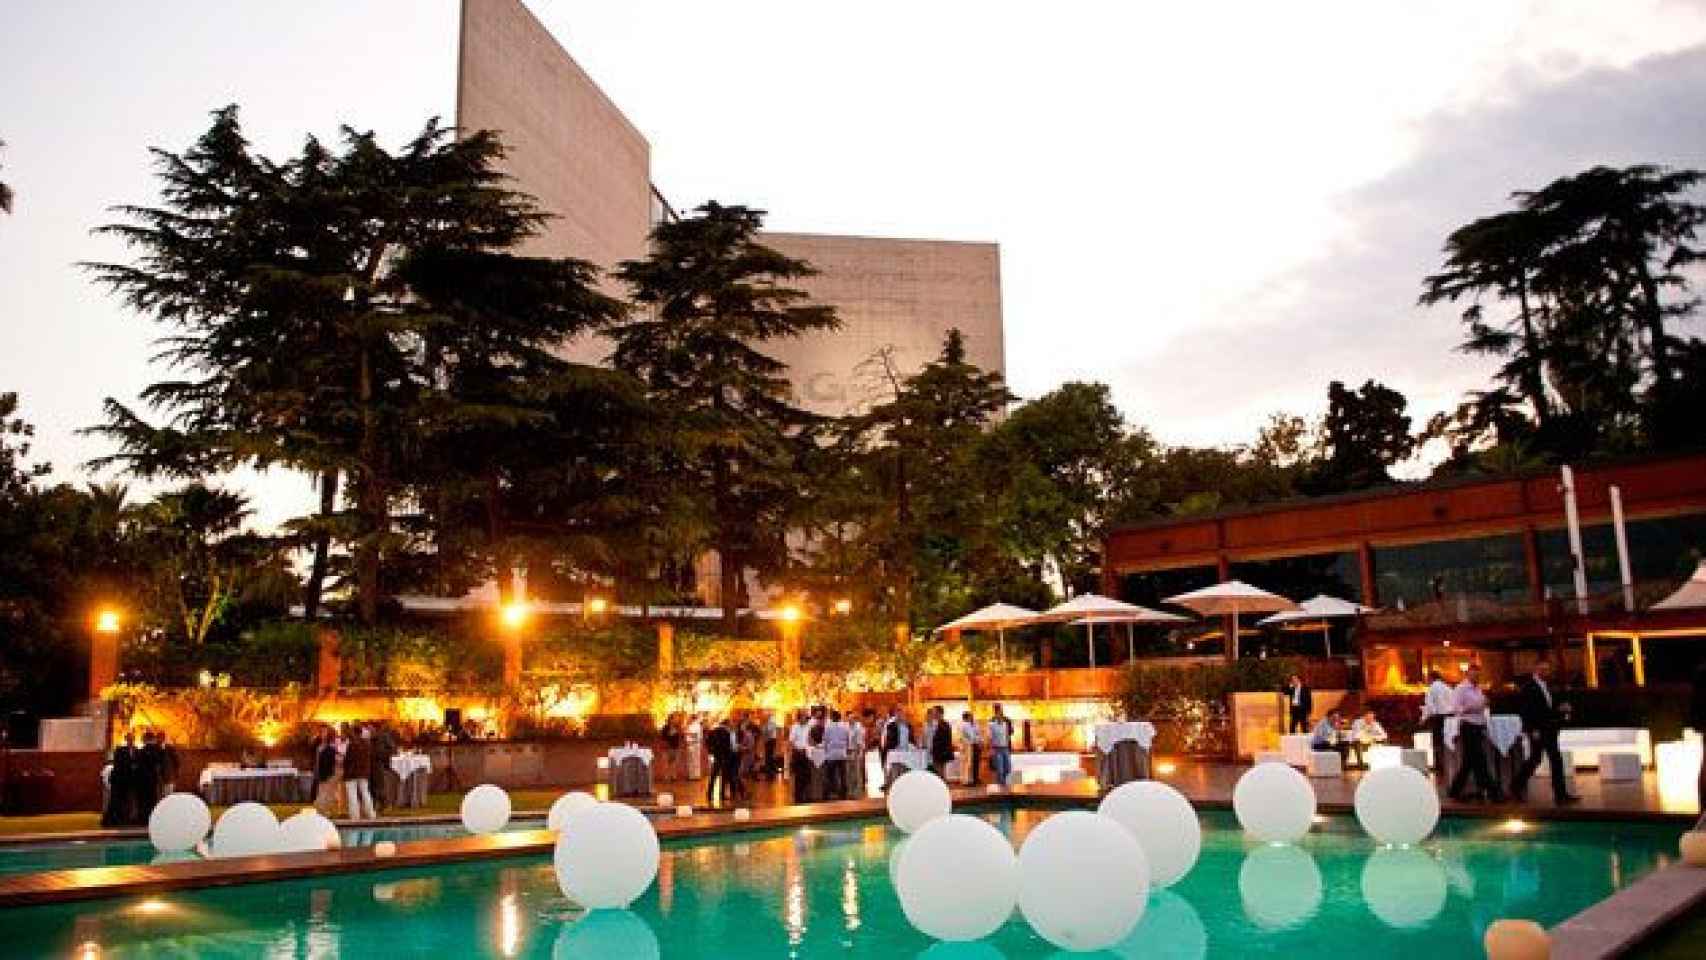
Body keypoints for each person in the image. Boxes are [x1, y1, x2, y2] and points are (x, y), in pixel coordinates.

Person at [1512, 659, 1580, 804]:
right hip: (1538, 730)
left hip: (1550, 728)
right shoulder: (1528, 687)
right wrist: (1531, 729)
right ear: (1535, 670)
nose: (1545, 672)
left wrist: (1560, 708)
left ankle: (1560, 794)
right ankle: (1516, 786)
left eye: (1547, 669)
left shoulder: (1548, 686)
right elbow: (1526, 711)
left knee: (1556, 760)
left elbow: (1548, 707)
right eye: (1542, 669)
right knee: (1535, 759)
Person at [1448, 665, 1505, 803]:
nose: (1476, 677)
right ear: (1467, 674)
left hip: (1478, 726)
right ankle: (1492, 791)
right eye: (1473, 675)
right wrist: (1474, 706)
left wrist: (1484, 705)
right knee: (1480, 760)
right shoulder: (1460, 689)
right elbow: (1456, 709)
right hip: (1468, 727)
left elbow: (1481, 705)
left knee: (1470, 761)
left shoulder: (1477, 689)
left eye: (1478, 675)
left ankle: (1455, 790)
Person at [102, 731, 138, 827]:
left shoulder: (136, 750)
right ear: (126, 739)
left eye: (132, 739)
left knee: (128, 800)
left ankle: (126, 818)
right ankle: (114, 820)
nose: (131, 740)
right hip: (120, 780)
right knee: (117, 801)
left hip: (131, 780)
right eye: (129, 739)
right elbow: (118, 764)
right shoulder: (120, 750)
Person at [1422, 670, 1453, 777]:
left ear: (1431, 678)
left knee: (1437, 742)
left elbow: (1430, 706)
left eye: (1427, 678)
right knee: (1447, 740)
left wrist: (1424, 718)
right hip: (1449, 718)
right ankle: (1447, 763)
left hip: (1437, 718)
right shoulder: (1447, 688)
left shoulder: (1431, 689)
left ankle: (1439, 765)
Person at [343, 725, 377, 820]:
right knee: (365, 792)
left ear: (353, 733)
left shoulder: (351, 744)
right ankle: (371, 814)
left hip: (351, 773)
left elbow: (347, 760)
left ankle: (355, 815)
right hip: (363, 772)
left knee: (352, 795)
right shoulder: (367, 744)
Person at [705, 716, 737, 806]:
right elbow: (728, 745)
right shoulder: (727, 732)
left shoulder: (713, 731)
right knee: (724, 776)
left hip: (716, 756)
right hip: (725, 756)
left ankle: (709, 793)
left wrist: (711, 752)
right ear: (727, 724)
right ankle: (722, 794)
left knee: (713, 775)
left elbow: (708, 742)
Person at [822, 709, 850, 800]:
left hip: (831, 754)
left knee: (830, 775)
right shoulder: (845, 727)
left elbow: (825, 740)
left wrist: (826, 750)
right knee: (843, 774)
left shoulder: (828, 727)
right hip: (842, 753)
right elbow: (847, 739)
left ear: (832, 717)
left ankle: (830, 792)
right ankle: (843, 793)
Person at [313, 727, 341, 815]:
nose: (322, 735)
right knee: (324, 792)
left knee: (326, 793)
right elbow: (317, 761)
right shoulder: (319, 746)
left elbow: (336, 760)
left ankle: (325, 810)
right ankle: (324, 810)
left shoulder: (332, 747)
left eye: (324, 733)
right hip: (322, 772)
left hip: (329, 773)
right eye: (322, 732)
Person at [369, 722, 396, 814]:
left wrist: (381, 755)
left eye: (371, 729)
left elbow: (392, 749)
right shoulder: (370, 739)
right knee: (372, 787)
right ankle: (374, 807)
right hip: (370, 765)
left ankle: (386, 805)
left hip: (378, 764)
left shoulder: (383, 737)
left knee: (380, 786)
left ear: (376, 729)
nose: (370, 731)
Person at [789, 709, 813, 803]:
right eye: (803, 716)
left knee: (807, 776)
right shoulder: (794, 727)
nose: (806, 718)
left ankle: (805, 795)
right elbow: (791, 741)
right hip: (798, 754)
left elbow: (810, 740)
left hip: (807, 753)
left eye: (806, 716)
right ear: (799, 717)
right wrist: (797, 750)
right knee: (798, 776)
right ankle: (798, 797)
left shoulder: (809, 727)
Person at [987, 704, 1013, 788]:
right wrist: (991, 748)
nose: (998, 712)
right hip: (997, 748)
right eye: (997, 710)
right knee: (1000, 769)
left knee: (1008, 767)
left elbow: (1010, 732)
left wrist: (1007, 739)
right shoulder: (991, 723)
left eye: (999, 710)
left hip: (1005, 747)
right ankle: (1001, 785)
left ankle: (1005, 783)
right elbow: (990, 737)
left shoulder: (1006, 721)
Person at [929, 706, 954, 779]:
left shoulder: (943, 724)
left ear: (939, 713)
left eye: (934, 712)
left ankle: (941, 787)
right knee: (939, 771)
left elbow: (943, 740)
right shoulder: (940, 724)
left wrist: (934, 748)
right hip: (938, 752)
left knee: (939, 771)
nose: (933, 714)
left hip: (941, 752)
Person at [959, 710, 982, 785]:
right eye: (970, 716)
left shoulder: (961, 724)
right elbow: (972, 736)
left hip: (965, 746)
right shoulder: (966, 725)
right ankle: (968, 780)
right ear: (967, 717)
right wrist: (978, 739)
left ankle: (966, 779)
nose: (972, 718)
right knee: (968, 763)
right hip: (968, 746)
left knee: (965, 764)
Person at [659, 714, 683, 783]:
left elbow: (680, 737)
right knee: (666, 763)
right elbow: (662, 737)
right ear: (669, 720)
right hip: (666, 748)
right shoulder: (665, 728)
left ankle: (673, 776)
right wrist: (669, 734)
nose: (675, 720)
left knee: (674, 763)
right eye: (673, 719)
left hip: (675, 747)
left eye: (675, 719)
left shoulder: (677, 727)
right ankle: (666, 777)